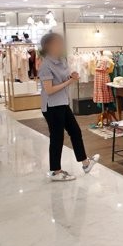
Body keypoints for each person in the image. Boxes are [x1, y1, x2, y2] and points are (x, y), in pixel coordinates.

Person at [38, 33, 100, 181]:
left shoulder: (62, 60)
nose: (61, 46)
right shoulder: (45, 65)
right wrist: (69, 82)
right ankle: (56, 171)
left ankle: (85, 163)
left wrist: (71, 76)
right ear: (49, 46)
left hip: (63, 103)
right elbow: (49, 90)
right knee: (57, 137)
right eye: (58, 43)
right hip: (52, 106)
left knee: (75, 131)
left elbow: (63, 78)